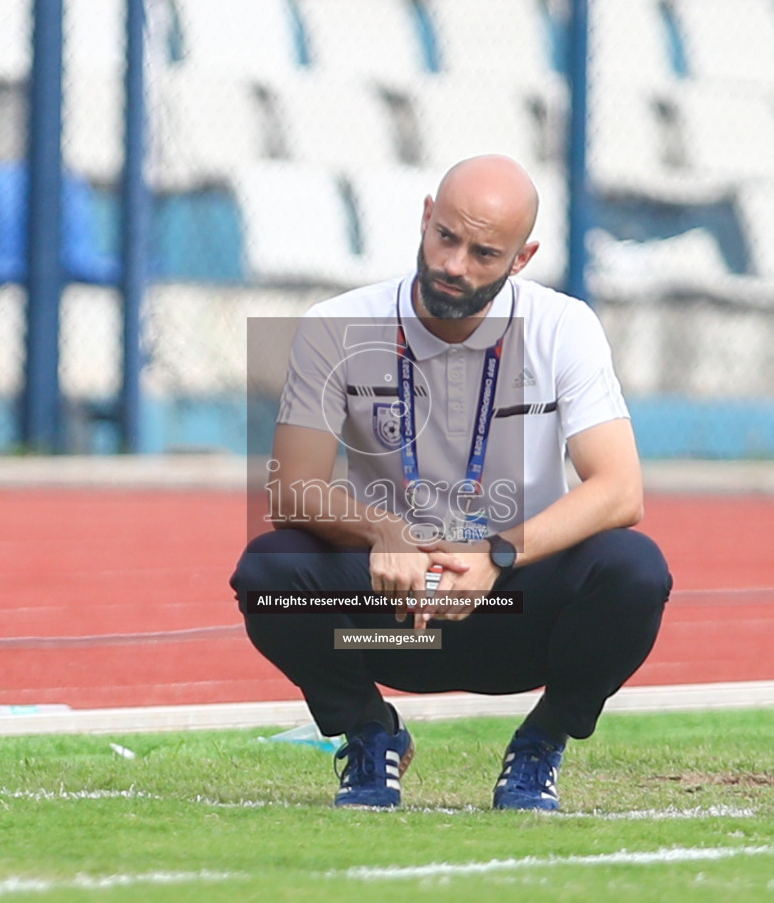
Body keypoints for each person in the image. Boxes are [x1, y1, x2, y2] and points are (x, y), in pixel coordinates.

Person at [230, 154, 672, 811]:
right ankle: (367, 731)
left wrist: (498, 553)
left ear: (523, 259)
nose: (454, 264)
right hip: (391, 621)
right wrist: (385, 531)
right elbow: (293, 486)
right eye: (446, 237)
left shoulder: (563, 326)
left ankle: (542, 741)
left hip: (515, 615)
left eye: (484, 253)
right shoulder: (337, 325)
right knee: (269, 573)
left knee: (635, 572)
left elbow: (620, 490)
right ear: (426, 218)